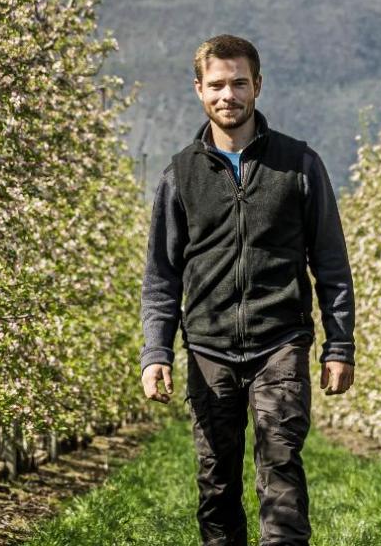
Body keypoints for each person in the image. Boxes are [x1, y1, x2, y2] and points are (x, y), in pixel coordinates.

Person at [138, 34, 356, 546]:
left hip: (280, 340)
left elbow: (330, 262)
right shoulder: (179, 175)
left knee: (280, 463)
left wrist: (339, 345)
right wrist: (156, 351)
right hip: (209, 346)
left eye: (239, 83)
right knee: (216, 481)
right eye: (216, 85)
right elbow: (161, 275)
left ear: (257, 85)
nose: (227, 95)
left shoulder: (299, 165)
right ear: (199, 90)